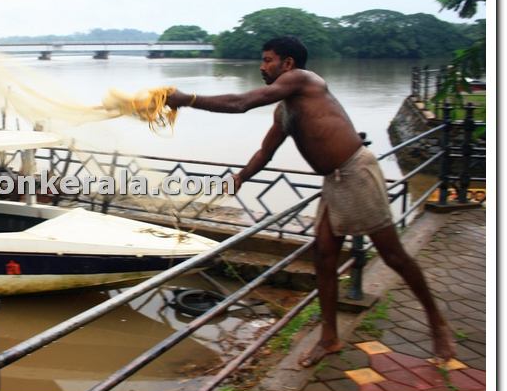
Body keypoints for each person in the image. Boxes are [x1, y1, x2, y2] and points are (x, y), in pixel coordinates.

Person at [165, 35, 455, 367]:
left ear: (287, 64)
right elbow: (265, 151)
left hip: (355, 173)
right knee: (324, 257)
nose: (262, 67)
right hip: (334, 181)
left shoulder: (304, 80)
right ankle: (329, 338)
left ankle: (437, 323)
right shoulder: (284, 109)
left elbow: (240, 102)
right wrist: (241, 178)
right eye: (262, 60)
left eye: (268, 60)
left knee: (394, 255)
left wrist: (187, 99)